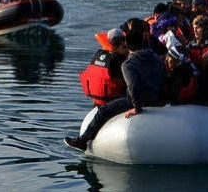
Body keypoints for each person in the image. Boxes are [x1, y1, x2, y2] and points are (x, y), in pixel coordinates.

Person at [64, 19, 164, 151]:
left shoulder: (128, 64)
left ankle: (82, 141)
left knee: (103, 111)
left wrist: (136, 108)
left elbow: (132, 87)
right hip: (157, 97)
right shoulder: (154, 57)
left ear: (128, 47)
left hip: (140, 101)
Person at [79, 28, 129, 106]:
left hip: (96, 99)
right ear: (115, 48)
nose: (127, 51)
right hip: (111, 100)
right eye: (124, 48)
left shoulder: (98, 54)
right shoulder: (118, 60)